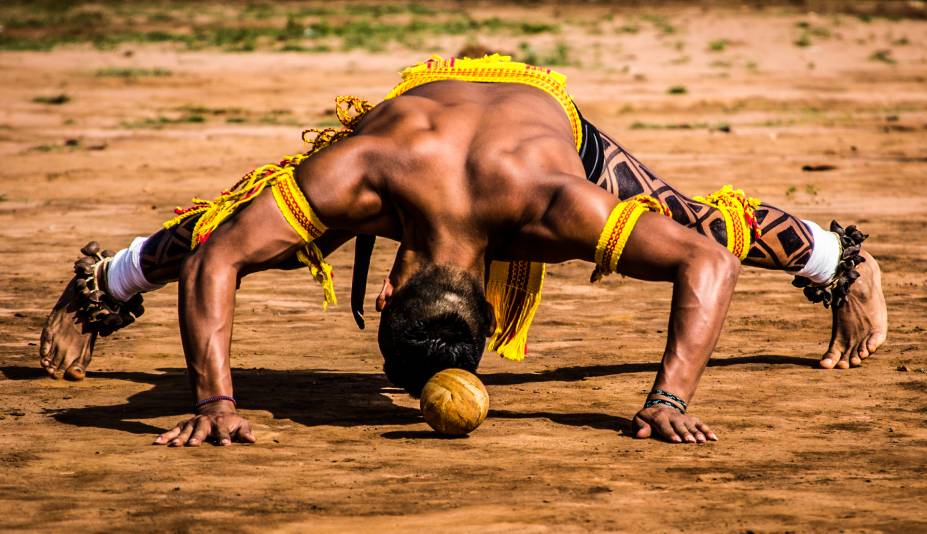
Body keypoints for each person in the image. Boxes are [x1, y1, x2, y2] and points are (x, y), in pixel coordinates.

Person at [39, 55, 886, 447]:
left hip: (537, 115)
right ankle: (102, 283)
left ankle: (836, 259)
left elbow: (220, 260)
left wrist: (216, 403)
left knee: (698, 222)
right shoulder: (368, 176)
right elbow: (219, 248)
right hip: (419, 118)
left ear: (384, 290)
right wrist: (665, 399)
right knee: (233, 219)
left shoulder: (546, 207)